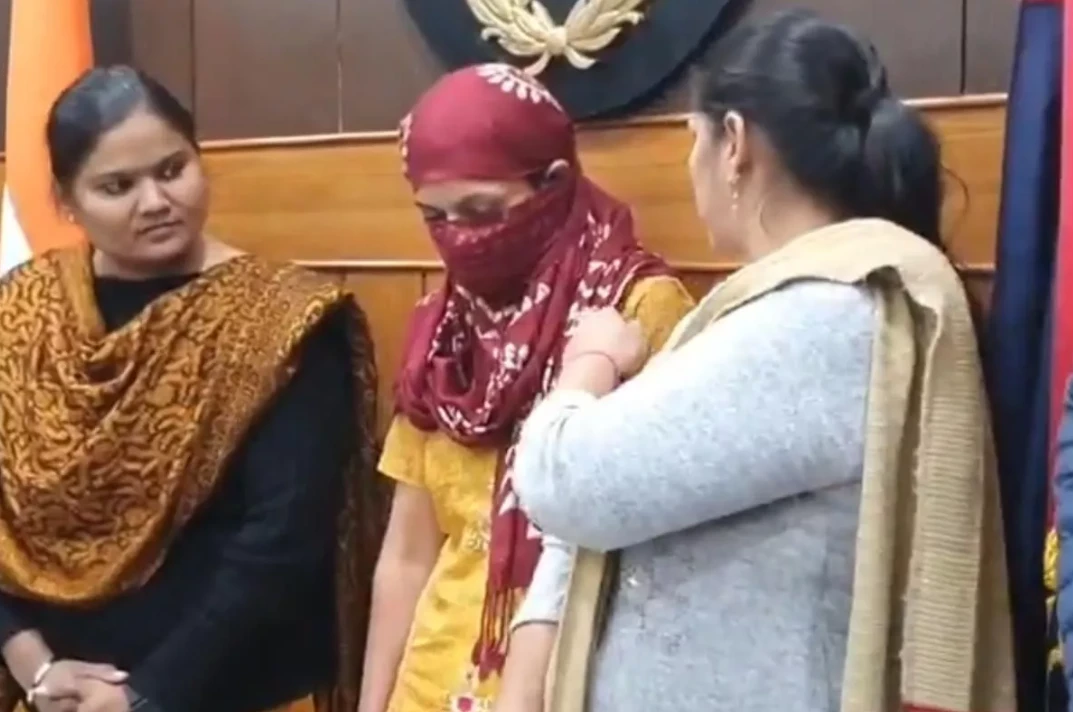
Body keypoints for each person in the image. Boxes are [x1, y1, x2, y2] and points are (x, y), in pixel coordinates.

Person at [509, 10, 1016, 712]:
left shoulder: (823, 319)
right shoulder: (807, 304)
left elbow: (563, 478)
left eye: (693, 139)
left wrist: (589, 359)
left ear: (735, 145)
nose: (689, 165)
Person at [0, 66, 384, 712]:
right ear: (66, 201)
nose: (155, 201)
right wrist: (31, 664)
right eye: (117, 186)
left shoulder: (282, 321)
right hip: (52, 691)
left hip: (229, 688)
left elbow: (282, 540)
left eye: (172, 170)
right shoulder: (22, 311)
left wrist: (146, 696)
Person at [357, 64, 694, 712]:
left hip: (571, 682)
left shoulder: (634, 311)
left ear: (553, 184)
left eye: (481, 211)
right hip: (431, 682)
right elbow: (407, 554)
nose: (460, 238)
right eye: (435, 216)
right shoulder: (441, 330)